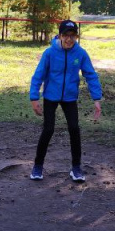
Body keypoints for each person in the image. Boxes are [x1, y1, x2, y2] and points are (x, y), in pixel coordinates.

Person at [29, 20, 103, 182]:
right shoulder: (49, 53)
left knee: (74, 129)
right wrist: (34, 98)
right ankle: (38, 166)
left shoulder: (80, 53)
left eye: (73, 36)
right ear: (60, 36)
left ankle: (76, 168)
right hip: (50, 96)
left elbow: (91, 75)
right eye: (66, 35)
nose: (69, 39)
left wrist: (96, 99)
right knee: (48, 129)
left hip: (70, 97)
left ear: (76, 37)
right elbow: (38, 75)